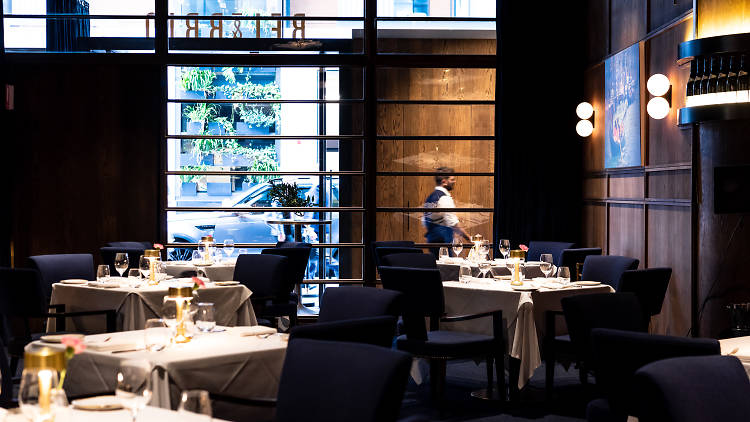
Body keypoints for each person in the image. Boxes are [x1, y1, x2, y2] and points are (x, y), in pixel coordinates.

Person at [423, 167, 470, 257]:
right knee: (447, 269)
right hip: (443, 244)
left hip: (432, 242)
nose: (454, 182)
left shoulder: (431, 197)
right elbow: (453, 223)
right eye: (452, 179)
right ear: (444, 182)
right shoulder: (444, 198)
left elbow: (425, 222)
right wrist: (469, 239)